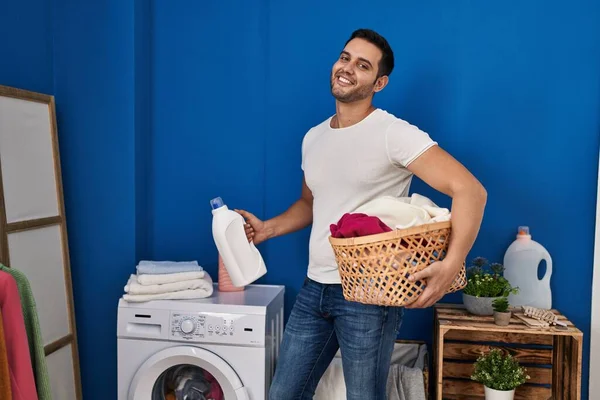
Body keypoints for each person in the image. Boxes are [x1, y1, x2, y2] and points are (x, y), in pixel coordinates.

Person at [236, 28, 487, 400]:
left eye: (363, 65)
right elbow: (310, 203)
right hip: (313, 289)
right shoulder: (314, 137)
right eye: (345, 57)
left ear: (379, 82)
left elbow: (470, 191)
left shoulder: (392, 134)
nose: (348, 68)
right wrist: (267, 229)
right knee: (283, 394)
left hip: (370, 296)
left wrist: (453, 263)